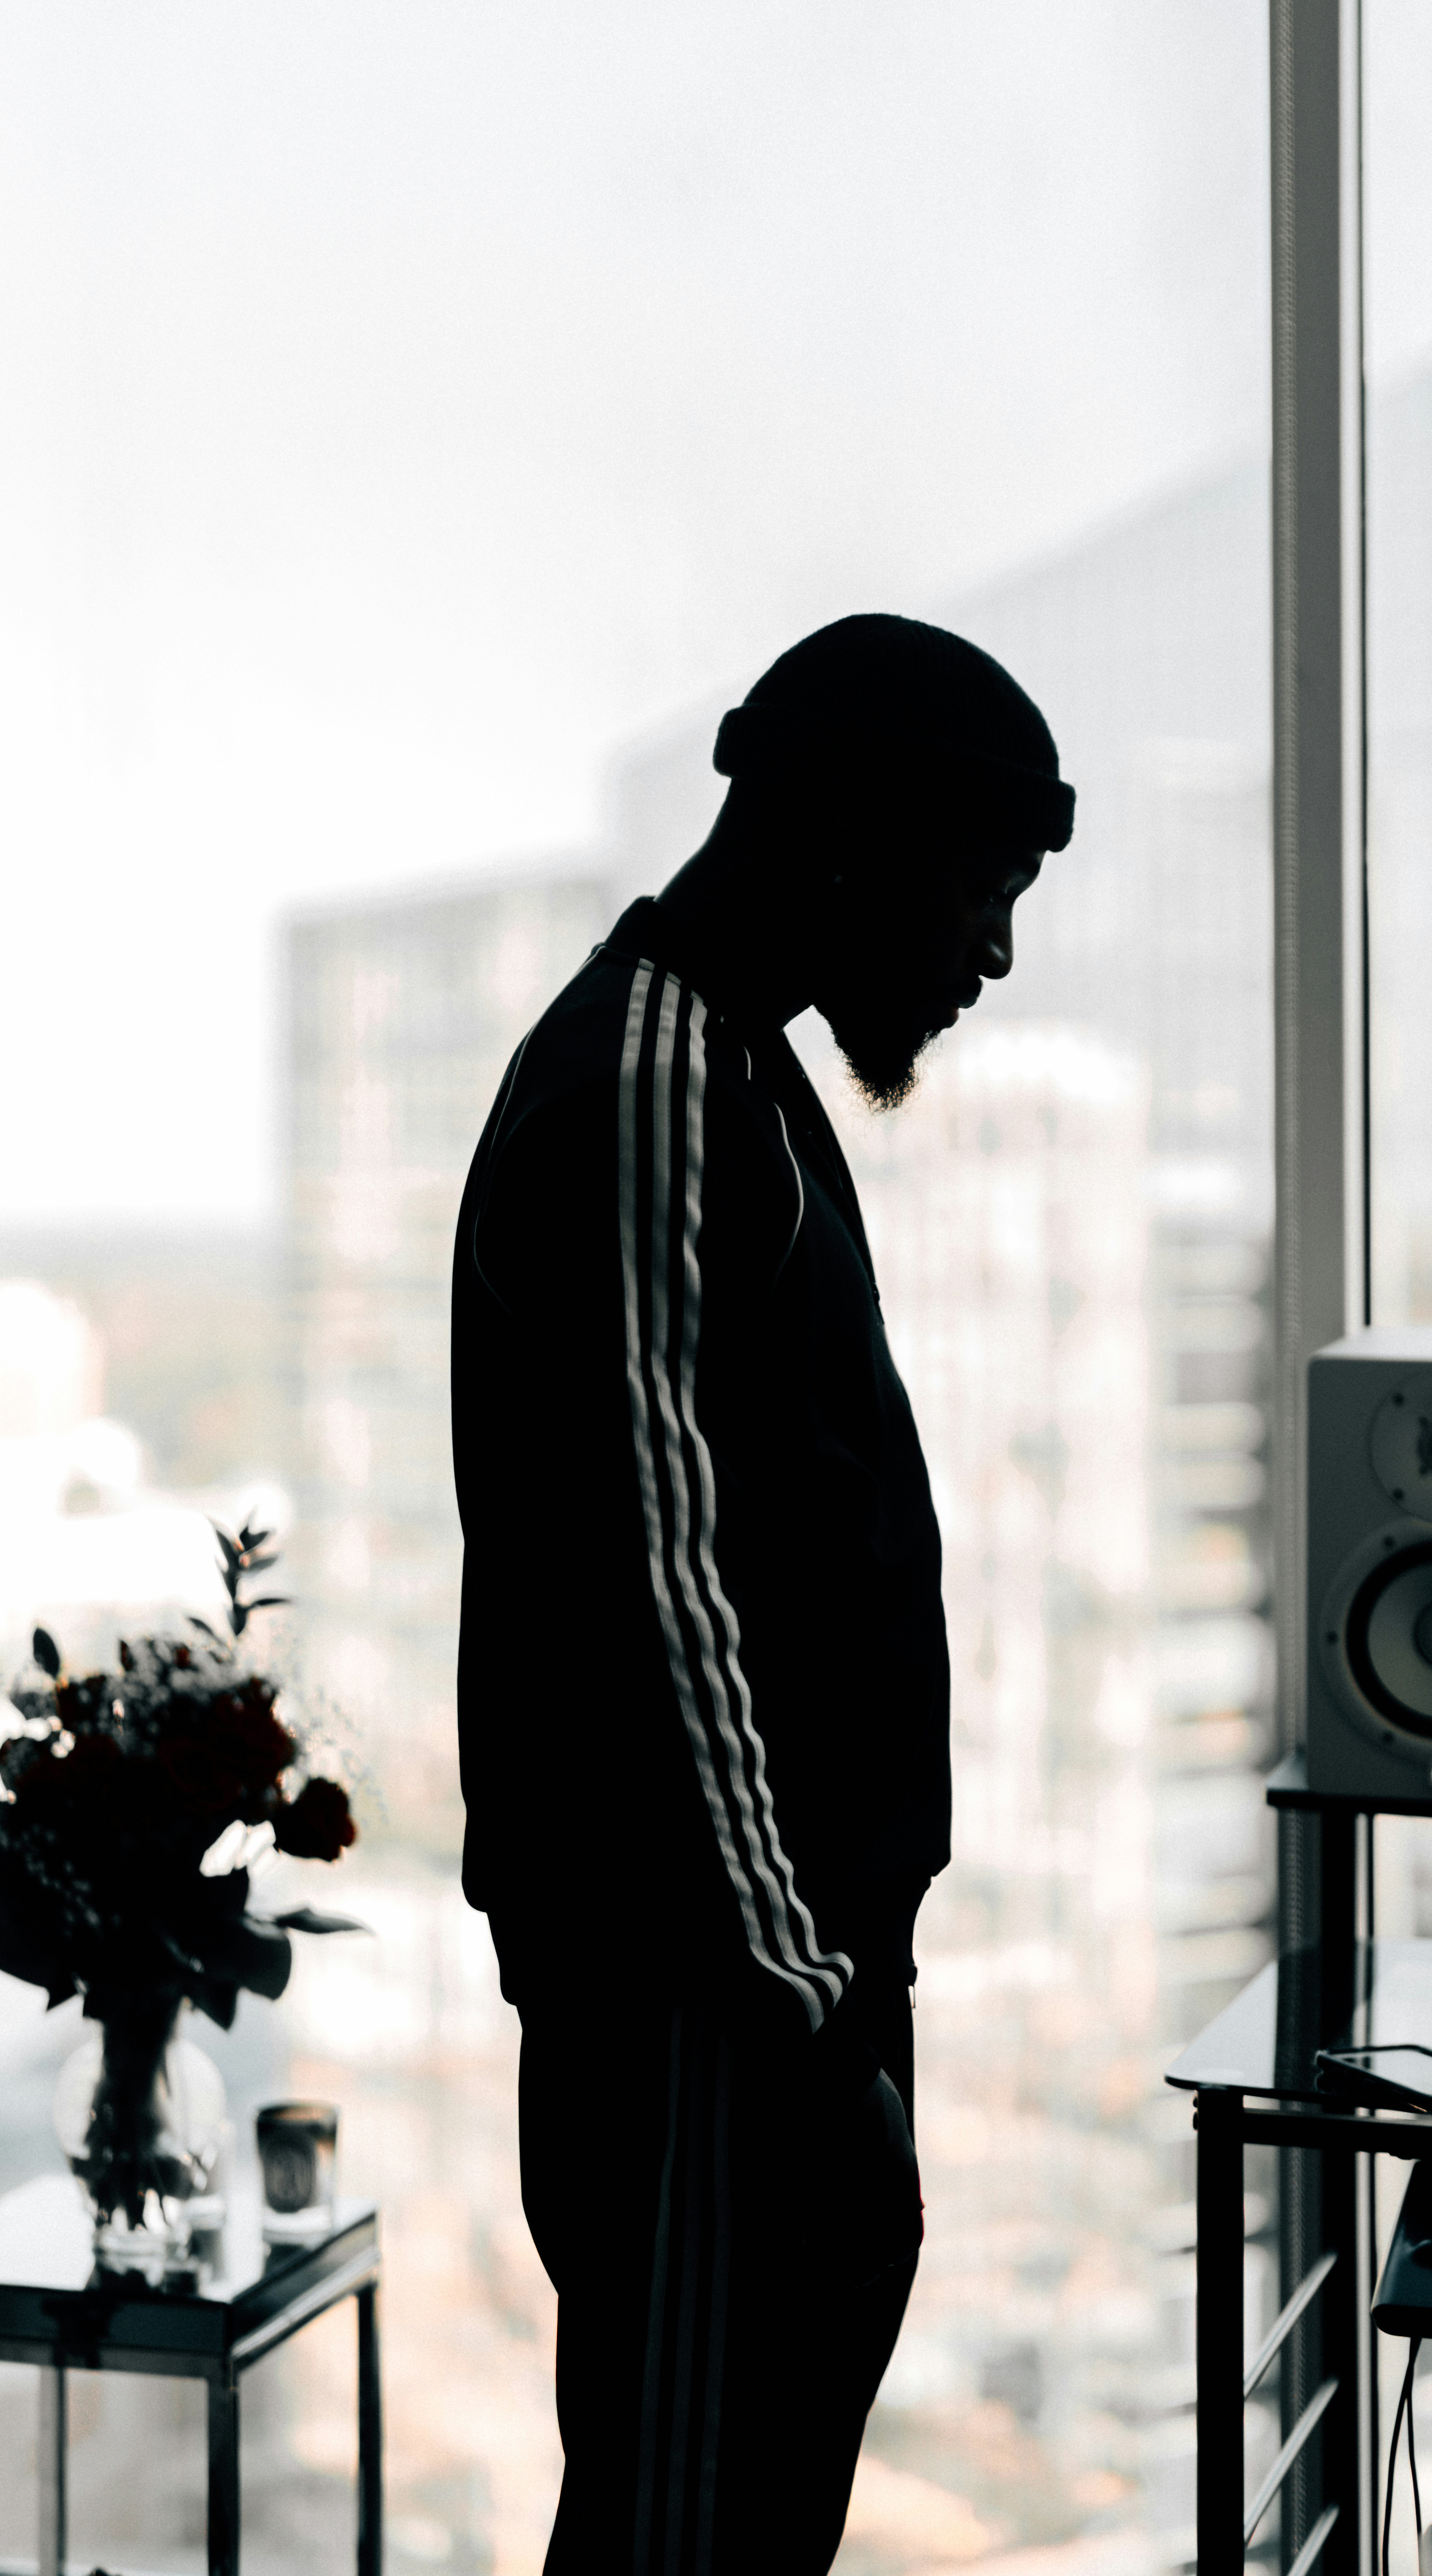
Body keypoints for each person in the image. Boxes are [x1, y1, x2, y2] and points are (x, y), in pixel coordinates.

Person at [452, 611, 1070, 2574]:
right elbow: (653, 1585)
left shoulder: (728, 1069)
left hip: (763, 2001)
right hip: (709, 2010)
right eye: (979, 886)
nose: (987, 950)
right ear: (846, 842)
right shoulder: (654, 1083)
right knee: (682, 2536)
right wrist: (797, 2002)